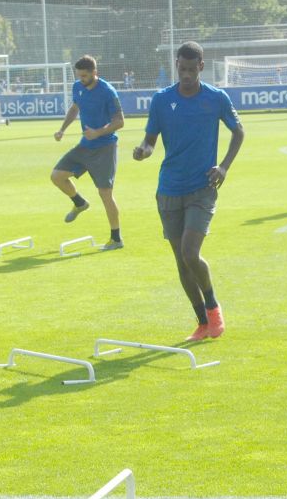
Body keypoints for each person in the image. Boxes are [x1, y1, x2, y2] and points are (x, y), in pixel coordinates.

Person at [133, 41, 244, 341]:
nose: (185, 75)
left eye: (191, 70)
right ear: (177, 66)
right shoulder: (161, 100)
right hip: (168, 189)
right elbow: (150, 140)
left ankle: (213, 308)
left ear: (201, 68)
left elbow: (239, 132)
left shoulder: (216, 98)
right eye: (181, 69)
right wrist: (143, 150)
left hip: (202, 188)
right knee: (180, 260)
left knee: (190, 252)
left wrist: (223, 167)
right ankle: (201, 322)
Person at [52, 55, 125, 249]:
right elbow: (75, 108)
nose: (81, 80)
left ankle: (116, 238)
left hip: (105, 148)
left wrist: (98, 132)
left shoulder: (108, 92)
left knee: (105, 193)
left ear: (95, 73)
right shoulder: (78, 87)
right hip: (85, 145)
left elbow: (120, 121)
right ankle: (79, 203)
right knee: (57, 176)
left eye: (84, 76)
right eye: (79, 76)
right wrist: (62, 129)